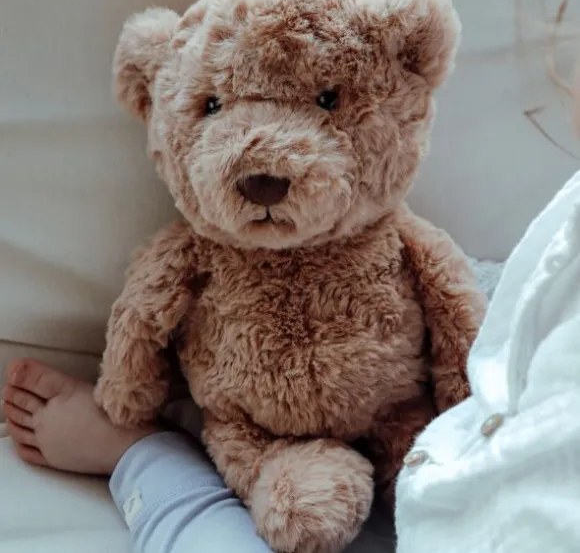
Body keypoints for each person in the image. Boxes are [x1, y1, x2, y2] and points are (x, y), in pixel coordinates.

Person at [3, 68, 580, 553]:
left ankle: (150, 459)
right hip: (268, 434)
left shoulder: (411, 243)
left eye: (327, 101)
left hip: (412, 437)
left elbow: (462, 306)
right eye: (214, 107)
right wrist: (126, 390)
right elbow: (143, 315)